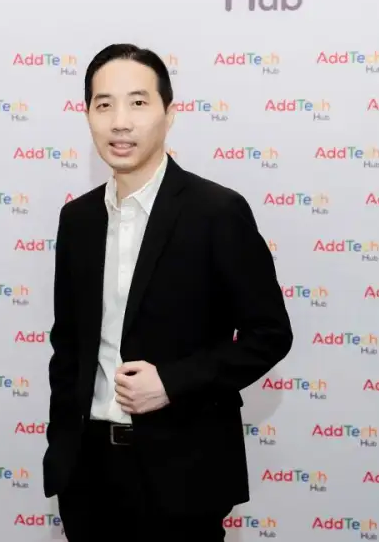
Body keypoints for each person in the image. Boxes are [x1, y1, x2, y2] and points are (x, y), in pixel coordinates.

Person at [42, 43, 293, 541]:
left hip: (182, 479)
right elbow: (67, 345)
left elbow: (269, 335)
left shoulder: (216, 212)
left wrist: (172, 383)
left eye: (138, 103)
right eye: (104, 104)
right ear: (88, 115)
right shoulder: (78, 219)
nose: (120, 122)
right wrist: (62, 452)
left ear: (169, 113)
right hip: (88, 478)